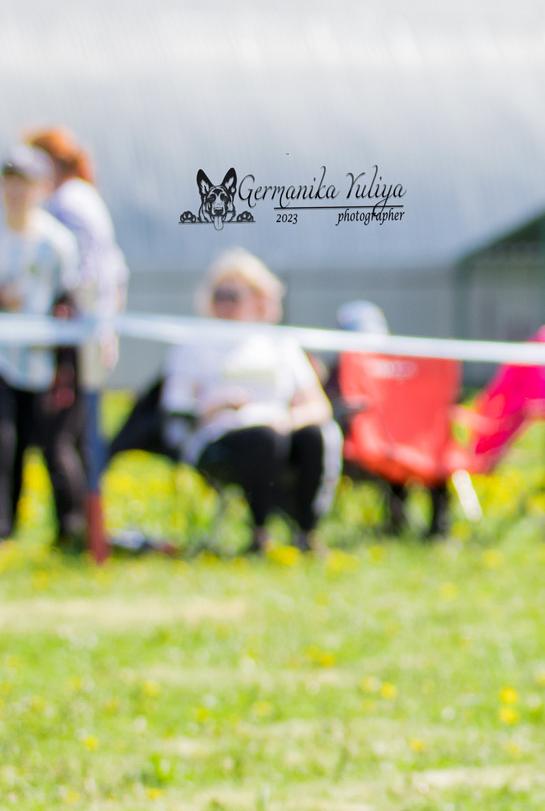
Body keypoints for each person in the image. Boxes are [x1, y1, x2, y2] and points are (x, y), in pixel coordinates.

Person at [162, 249, 339, 552]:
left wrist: (289, 420)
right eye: (219, 294)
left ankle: (306, 534)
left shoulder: (280, 343)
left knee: (312, 435)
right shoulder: (194, 342)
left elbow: (318, 406)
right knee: (263, 438)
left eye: (234, 294)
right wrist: (217, 404)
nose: (225, 302)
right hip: (220, 437)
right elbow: (176, 408)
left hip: (279, 429)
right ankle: (259, 534)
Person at [23, 128, 125, 482]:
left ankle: (78, 518)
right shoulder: (86, 197)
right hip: (91, 328)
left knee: (60, 434)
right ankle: (85, 519)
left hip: (76, 335)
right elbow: (116, 272)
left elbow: (81, 273)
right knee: (79, 433)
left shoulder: (66, 203)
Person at [0, 145, 88, 552]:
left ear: (42, 188)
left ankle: (71, 530)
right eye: (10, 181)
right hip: (2, 357)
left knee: (54, 446)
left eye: (25, 183)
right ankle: (4, 527)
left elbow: (70, 300)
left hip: (44, 361)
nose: (16, 191)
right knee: (3, 441)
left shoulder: (57, 243)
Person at [326, 300, 457, 540]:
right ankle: (407, 521)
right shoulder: (342, 372)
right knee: (400, 457)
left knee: (415, 458)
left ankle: (426, 525)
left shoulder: (396, 370)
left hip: (400, 447)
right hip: (380, 449)